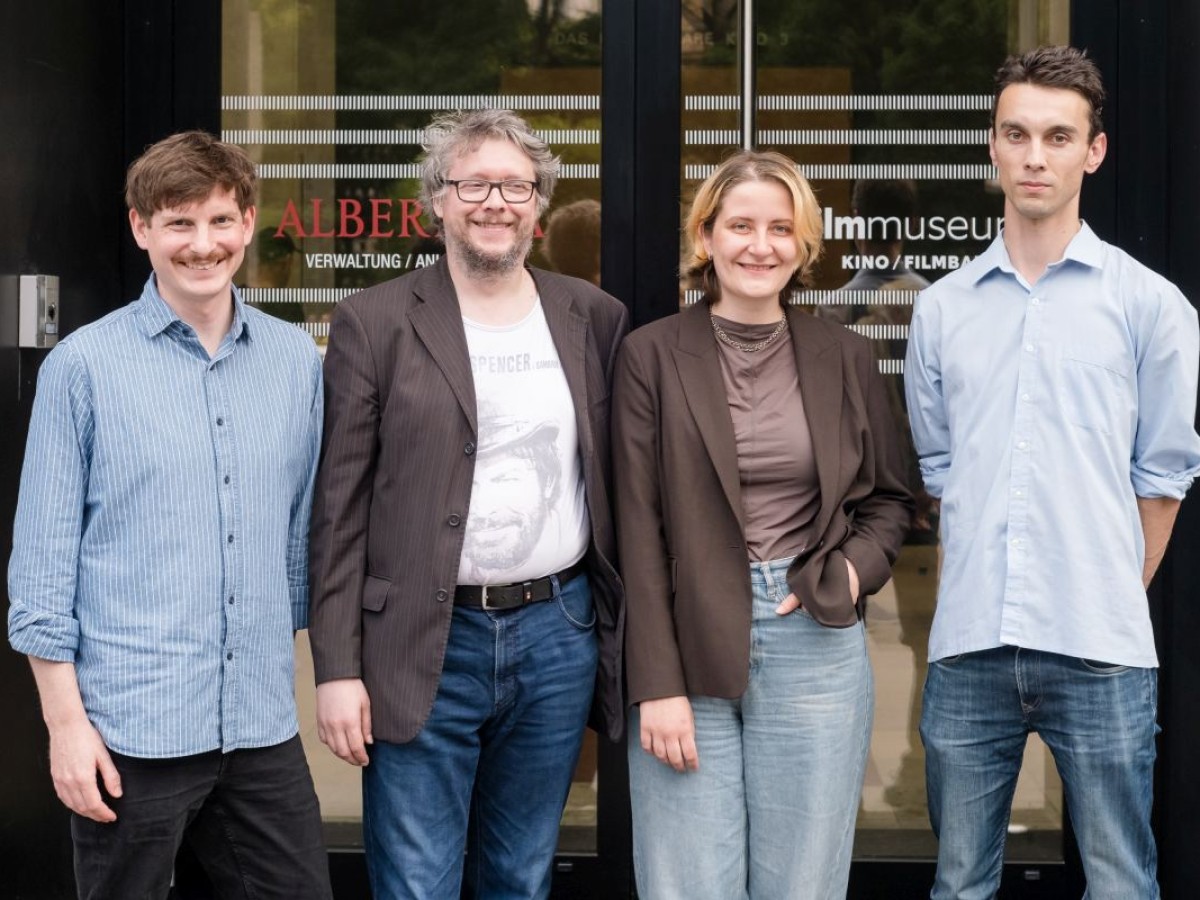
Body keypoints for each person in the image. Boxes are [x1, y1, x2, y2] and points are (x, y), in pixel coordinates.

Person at [308, 108, 628, 900]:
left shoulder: (591, 316)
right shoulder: (373, 321)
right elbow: (339, 511)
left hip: (557, 633)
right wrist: (337, 669)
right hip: (421, 639)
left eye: (515, 186)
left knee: (519, 875)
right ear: (437, 200)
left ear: (538, 203)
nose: (495, 203)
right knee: (417, 881)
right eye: (474, 184)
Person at [905, 45, 1200, 898]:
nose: (1035, 156)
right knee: (960, 884)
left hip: (1102, 650)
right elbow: (942, 471)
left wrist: (1108, 590)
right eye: (1018, 134)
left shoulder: (1152, 306)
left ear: (1093, 151)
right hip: (969, 647)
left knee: (1120, 882)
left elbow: (1163, 478)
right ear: (993, 147)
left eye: (1058, 137)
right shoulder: (941, 309)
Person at [7, 131, 331, 899]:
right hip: (131, 732)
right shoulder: (82, 367)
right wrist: (66, 728)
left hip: (258, 726)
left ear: (247, 224)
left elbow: (298, 542)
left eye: (219, 220)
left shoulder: (296, 362)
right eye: (179, 223)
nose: (202, 244)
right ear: (141, 228)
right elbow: (43, 569)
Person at [613, 150, 913, 899]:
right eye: (741, 225)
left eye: (781, 228)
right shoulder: (649, 356)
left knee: (802, 884)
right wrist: (656, 683)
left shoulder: (845, 355)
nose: (761, 245)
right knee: (686, 884)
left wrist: (848, 574)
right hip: (686, 639)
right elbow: (636, 532)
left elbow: (889, 500)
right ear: (706, 236)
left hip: (812, 634)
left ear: (804, 244)